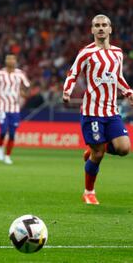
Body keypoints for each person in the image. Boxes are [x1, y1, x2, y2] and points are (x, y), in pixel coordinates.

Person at [63, 14, 133, 205]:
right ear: (92, 30)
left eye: (104, 25)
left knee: (124, 148)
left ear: (110, 29)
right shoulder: (86, 52)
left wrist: (128, 92)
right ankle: (89, 191)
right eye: (97, 25)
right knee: (99, 154)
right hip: (92, 112)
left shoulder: (118, 53)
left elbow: (117, 76)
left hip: (111, 111)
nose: (101, 28)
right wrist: (67, 92)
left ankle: (93, 148)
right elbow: (73, 73)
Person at [0, 54, 30, 165]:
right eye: (8, 58)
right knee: (3, 131)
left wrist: (24, 94)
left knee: (12, 134)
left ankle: (7, 156)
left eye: (12, 58)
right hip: (2, 107)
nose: (10, 60)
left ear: (16, 60)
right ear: (5, 60)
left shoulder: (20, 74)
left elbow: (27, 86)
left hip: (15, 108)